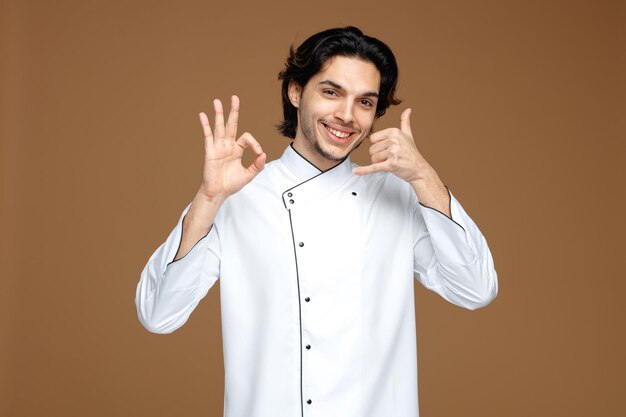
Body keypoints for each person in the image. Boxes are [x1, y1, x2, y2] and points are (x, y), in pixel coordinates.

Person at [136, 26, 498, 417]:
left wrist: (424, 176)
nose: (346, 115)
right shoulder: (237, 196)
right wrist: (207, 200)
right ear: (295, 91)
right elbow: (158, 315)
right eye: (331, 92)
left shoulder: (398, 195)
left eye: (365, 102)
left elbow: (476, 289)